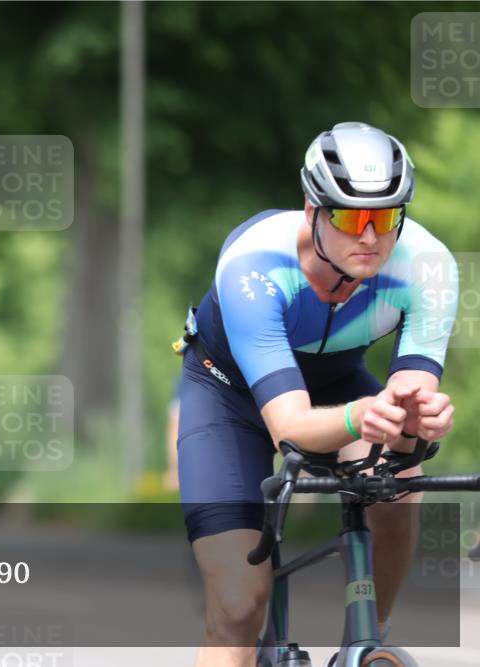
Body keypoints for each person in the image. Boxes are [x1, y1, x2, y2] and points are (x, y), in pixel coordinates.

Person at [174, 122, 458, 667]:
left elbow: (406, 403)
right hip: (229, 398)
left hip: (336, 385)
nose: (371, 238)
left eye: (387, 217)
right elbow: (291, 427)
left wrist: (418, 421)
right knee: (237, 607)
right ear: (313, 209)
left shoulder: (429, 267)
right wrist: (362, 416)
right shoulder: (254, 265)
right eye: (352, 218)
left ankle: (370, 636)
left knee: (400, 481)